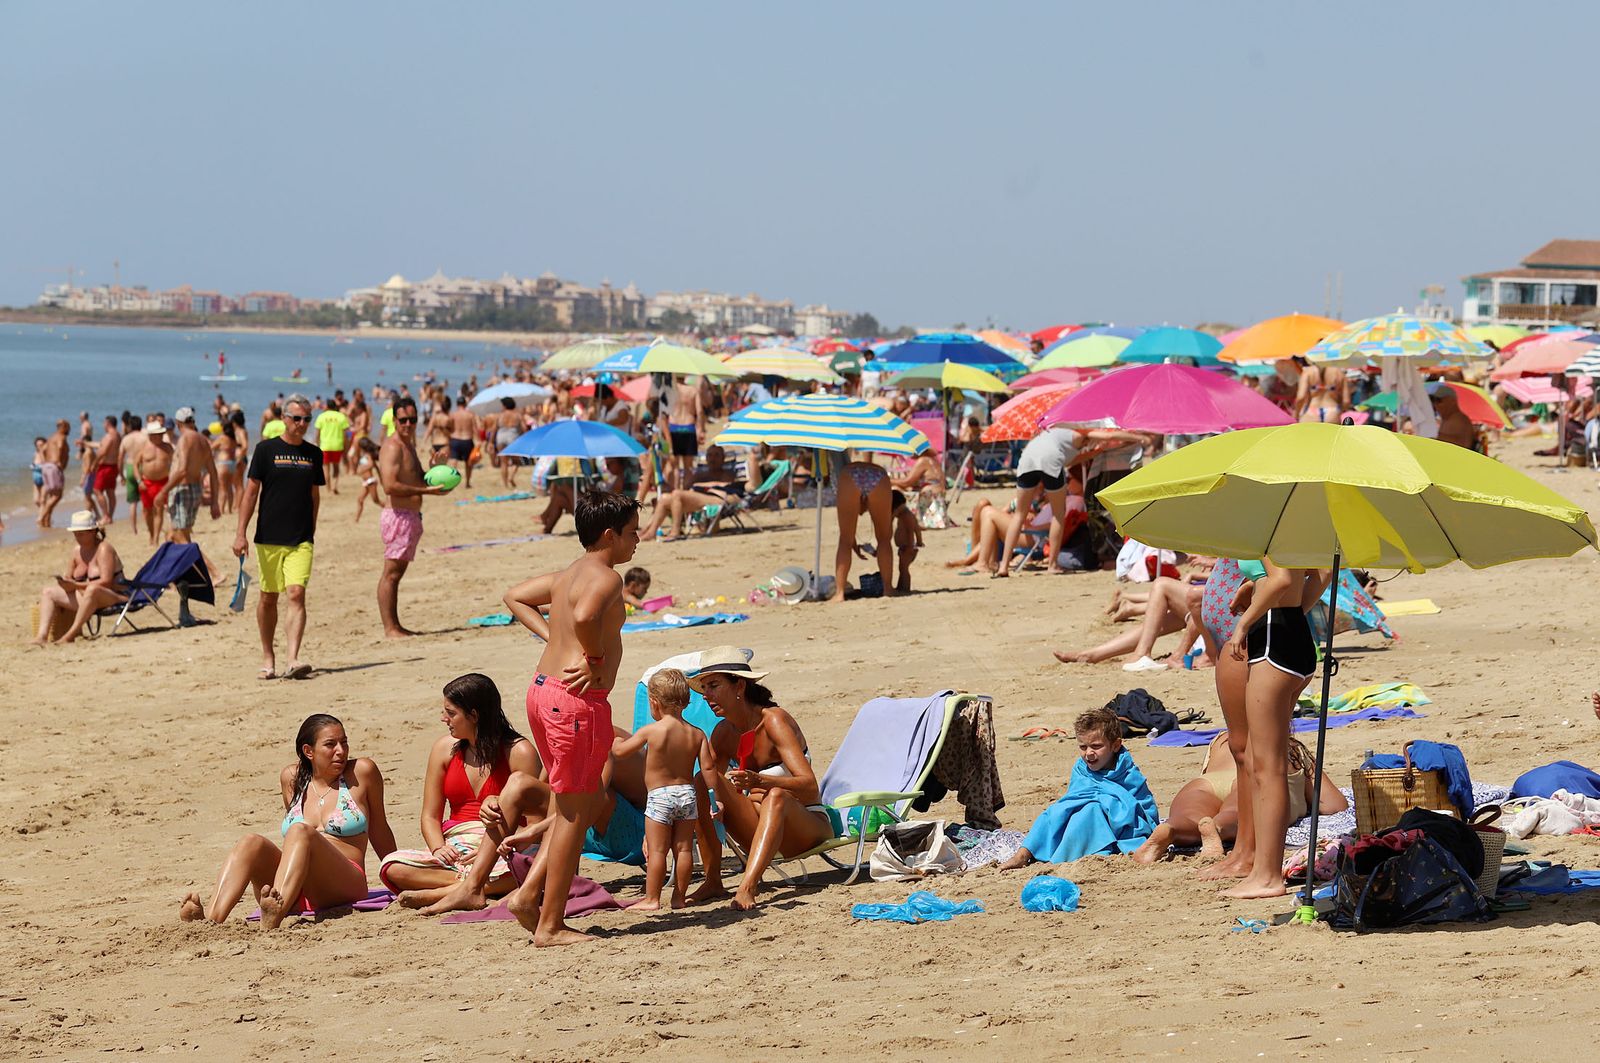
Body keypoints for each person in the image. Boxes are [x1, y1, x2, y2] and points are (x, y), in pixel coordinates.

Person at [496, 489, 640, 945]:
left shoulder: (570, 573)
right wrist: (594, 654)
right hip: (574, 702)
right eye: (633, 533)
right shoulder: (606, 578)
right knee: (577, 814)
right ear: (609, 534)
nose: (638, 541)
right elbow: (585, 614)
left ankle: (527, 897)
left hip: (543, 692)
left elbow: (515, 596)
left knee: (572, 803)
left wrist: (550, 640)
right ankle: (551, 924)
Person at [178, 714, 396, 928]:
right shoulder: (292, 778)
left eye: (344, 743)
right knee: (250, 842)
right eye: (330, 744)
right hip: (297, 889)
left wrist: (398, 877)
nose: (341, 751)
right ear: (308, 751)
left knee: (300, 831)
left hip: (344, 884)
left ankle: (275, 910)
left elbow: (379, 829)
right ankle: (210, 922)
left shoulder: (361, 772)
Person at [686, 648, 838, 909]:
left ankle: (748, 886)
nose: (706, 696)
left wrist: (762, 782)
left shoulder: (773, 721)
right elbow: (713, 788)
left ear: (740, 686)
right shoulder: (723, 733)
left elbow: (809, 787)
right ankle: (713, 880)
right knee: (702, 781)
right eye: (703, 688)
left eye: (713, 685)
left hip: (804, 826)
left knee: (776, 796)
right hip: (755, 828)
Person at [1219, 560, 1329, 900]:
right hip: (1293, 635)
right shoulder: (1295, 523)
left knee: (1268, 766)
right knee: (1260, 759)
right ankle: (1260, 868)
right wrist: (1291, 611)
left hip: (1272, 643)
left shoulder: (1269, 524)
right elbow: (1322, 571)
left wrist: (1245, 622)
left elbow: (1279, 579)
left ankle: (1267, 875)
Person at [383, 673, 541, 903]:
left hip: (507, 845)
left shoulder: (519, 752)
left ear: (474, 715)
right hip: (458, 846)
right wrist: (438, 848)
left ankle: (451, 891)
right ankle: (471, 887)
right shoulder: (444, 749)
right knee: (393, 867)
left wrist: (493, 850)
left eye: (450, 713)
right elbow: (429, 815)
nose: (443, 719)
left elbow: (536, 822)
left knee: (532, 863)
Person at [1130, 733, 1347, 864]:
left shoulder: (1223, 739)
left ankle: (1173, 829)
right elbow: (1334, 804)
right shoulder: (1290, 746)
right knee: (1236, 812)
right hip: (1250, 781)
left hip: (1207, 783)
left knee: (1189, 813)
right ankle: (1218, 827)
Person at [998, 707, 1159, 870]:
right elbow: (1072, 801)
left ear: (1116, 745)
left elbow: (1145, 811)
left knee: (1092, 810)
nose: (1089, 753)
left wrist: (1108, 803)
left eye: (1096, 746)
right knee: (1054, 812)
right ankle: (1023, 854)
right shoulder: (1081, 769)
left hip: (1118, 831)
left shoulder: (1128, 773)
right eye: (1083, 747)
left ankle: (1093, 852)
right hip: (1081, 823)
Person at [233, 394, 323, 681]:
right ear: (284, 419)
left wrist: (311, 529)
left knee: (296, 593)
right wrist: (240, 533)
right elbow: (250, 493)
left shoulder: (313, 454)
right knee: (268, 597)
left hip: (301, 539)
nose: (302, 424)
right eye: (297, 418)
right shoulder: (265, 450)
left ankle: (293, 658)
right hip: (268, 537)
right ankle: (268, 657)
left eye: (307, 419)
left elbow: (314, 496)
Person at [608, 668, 703, 910]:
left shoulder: (652, 730)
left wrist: (617, 741)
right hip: (687, 794)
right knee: (683, 849)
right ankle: (680, 897)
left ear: (654, 703)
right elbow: (709, 769)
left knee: (658, 850)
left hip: (660, 797)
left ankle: (652, 898)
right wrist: (718, 800)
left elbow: (620, 753)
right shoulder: (696, 734)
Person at [376, 397, 444, 638]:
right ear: (394, 420)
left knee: (397, 574)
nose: (408, 424)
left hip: (410, 516)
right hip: (398, 516)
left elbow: (416, 479)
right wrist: (426, 491)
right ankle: (390, 628)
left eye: (412, 420)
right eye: (403, 420)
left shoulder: (409, 445)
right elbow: (390, 485)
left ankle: (395, 625)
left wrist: (435, 472)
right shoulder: (393, 446)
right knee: (391, 574)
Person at [30, 510, 128, 646]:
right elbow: (69, 577)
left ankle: (70, 634)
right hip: (86, 598)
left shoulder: (104, 549)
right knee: (48, 592)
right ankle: (42, 636)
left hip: (113, 596)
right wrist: (65, 582)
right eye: (75, 534)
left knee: (93, 589)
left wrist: (76, 586)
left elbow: (106, 582)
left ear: (93, 531)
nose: (77, 537)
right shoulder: (76, 551)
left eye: (81, 534)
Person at [831, 458, 895, 602]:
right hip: (878, 475)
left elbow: (847, 537)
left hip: (850, 475)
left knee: (844, 540)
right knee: (884, 539)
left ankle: (840, 593)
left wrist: (852, 542)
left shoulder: (843, 472)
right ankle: (888, 589)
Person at [156, 407, 220, 546]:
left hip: (182, 491)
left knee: (179, 537)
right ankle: (186, 567)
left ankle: (209, 568)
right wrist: (214, 502)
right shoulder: (203, 440)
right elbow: (213, 474)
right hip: (195, 490)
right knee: (175, 535)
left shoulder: (185, 439)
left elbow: (182, 470)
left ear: (178, 423)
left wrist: (163, 492)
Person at [662, 375, 704, 491]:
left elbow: (663, 415)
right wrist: (700, 429)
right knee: (688, 467)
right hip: (688, 427)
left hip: (673, 427)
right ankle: (685, 492)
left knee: (674, 467)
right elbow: (699, 412)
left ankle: (675, 492)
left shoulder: (669, 391)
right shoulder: (693, 390)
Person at [136, 422, 174, 544]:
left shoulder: (168, 447)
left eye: (161, 434)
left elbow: (175, 463)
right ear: (151, 435)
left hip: (163, 482)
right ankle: (151, 534)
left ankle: (156, 538)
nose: (160, 436)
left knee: (159, 509)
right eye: (157, 434)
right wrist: (139, 481)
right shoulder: (143, 447)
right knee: (147, 512)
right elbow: (135, 465)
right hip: (146, 483)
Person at [888, 489, 922, 594]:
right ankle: (901, 586)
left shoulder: (907, 516)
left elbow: (911, 531)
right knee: (902, 568)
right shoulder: (904, 514)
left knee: (904, 569)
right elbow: (918, 529)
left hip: (908, 547)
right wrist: (920, 541)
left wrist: (911, 546)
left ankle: (905, 588)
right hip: (905, 546)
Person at [89, 415, 121, 526]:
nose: (103, 425)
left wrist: (94, 463)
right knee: (110, 491)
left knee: (97, 490)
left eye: (104, 423)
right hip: (114, 466)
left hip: (105, 467)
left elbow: (103, 451)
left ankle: (106, 516)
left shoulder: (109, 436)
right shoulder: (118, 435)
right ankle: (110, 516)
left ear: (108, 423)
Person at [37, 419, 69, 528]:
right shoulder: (61, 437)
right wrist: (59, 461)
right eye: (68, 426)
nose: (69, 429)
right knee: (57, 495)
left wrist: (44, 462)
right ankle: (41, 517)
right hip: (54, 467)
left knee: (52, 494)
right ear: (63, 426)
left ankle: (47, 521)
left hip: (46, 467)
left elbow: (42, 450)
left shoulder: (51, 438)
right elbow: (60, 447)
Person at [314, 398, 350, 495]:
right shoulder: (341, 417)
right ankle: (335, 486)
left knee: (326, 469)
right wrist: (347, 445)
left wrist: (316, 444)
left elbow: (317, 433)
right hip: (338, 445)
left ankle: (328, 488)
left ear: (327, 406)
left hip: (325, 446)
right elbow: (347, 433)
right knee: (336, 467)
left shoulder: (321, 417)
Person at [1431, 386, 1478, 450]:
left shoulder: (1459, 419)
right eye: (1434, 400)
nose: (1435, 404)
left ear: (1452, 401)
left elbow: (1463, 444)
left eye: (1439, 400)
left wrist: (1432, 435)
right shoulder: (1448, 418)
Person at [447, 398, 478, 489]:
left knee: (453, 462)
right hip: (467, 440)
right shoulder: (470, 415)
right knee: (468, 463)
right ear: (465, 404)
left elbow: (449, 427)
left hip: (455, 439)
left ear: (457, 404)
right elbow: (475, 429)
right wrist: (479, 440)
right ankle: (467, 483)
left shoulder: (453, 415)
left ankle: (451, 483)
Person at [353, 437, 383, 522]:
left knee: (376, 501)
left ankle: (388, 510)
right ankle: (356, 519)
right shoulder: (364, 454)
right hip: (365, 482)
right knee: (360, 499)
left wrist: (361, 469)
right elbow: (376, 467)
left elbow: (371, 464)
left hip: (370, 481)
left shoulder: (368, 455)